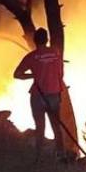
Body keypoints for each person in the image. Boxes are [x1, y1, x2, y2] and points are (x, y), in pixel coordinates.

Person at [13, 27, 65, 160]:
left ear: (35, 41)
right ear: (47, 40)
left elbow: (17, 74)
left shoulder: (32, 56)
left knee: (40, 126)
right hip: (54, 95)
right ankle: (61, 154)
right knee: (56, 126)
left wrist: (33, 76)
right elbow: (61, 73)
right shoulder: (56, 53)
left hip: (38, 96)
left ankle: (39, 155)